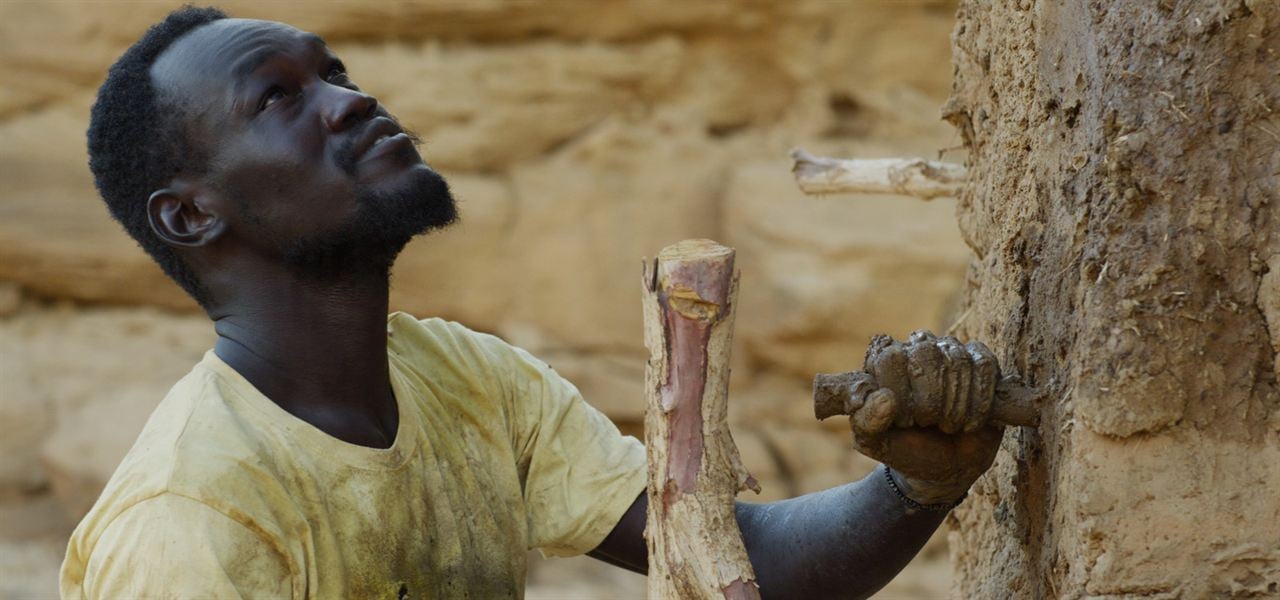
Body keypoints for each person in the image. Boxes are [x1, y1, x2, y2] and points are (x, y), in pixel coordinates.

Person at [61, 7, 1010, 599]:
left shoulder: (466, 380)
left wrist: (916, 484)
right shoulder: (191, 523)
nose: (348, 101)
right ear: (190, 215)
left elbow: (726, 557)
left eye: (334, 72)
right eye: (276, 98)